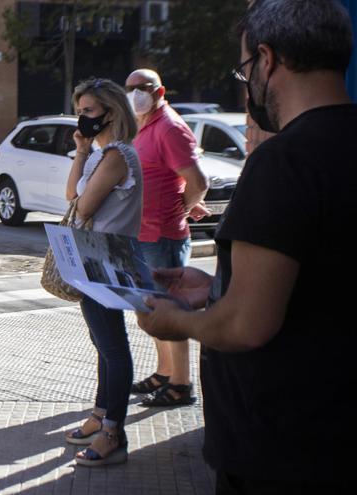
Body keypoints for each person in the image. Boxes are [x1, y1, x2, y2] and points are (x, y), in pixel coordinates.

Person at [136, 0, 357, 491]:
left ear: (267, 59)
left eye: (244, 69)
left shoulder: (281, 163)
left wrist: (174, 320)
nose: (247, 83)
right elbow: (331, 287)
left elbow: (244, 326)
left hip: (283, 450)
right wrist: (216, 288)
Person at [61, 78, 143, 467]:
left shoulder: (118, 155)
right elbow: (70, 196)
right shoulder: (98, 154)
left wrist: (81, 195)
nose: (82, 117)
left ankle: (114, 432)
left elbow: (85, 206)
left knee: (113, 346)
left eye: (89, 111)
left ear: (111, 112)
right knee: (101, 340)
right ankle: (100, 413)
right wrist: (79, 152)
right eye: (80, 110)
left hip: (108, 261)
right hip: (93, 257)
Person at [124, 68, 209, 407]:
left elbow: (198, 181)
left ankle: (181, 385)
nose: (135, 94)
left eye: (142, 88)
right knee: (151, 308)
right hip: (143, 234)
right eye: (129, 88)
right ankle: (164, 372)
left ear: (159, 92)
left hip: (162, 237)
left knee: (171, 309)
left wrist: (181, 210)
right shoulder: (144, 126)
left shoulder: (170, 127)